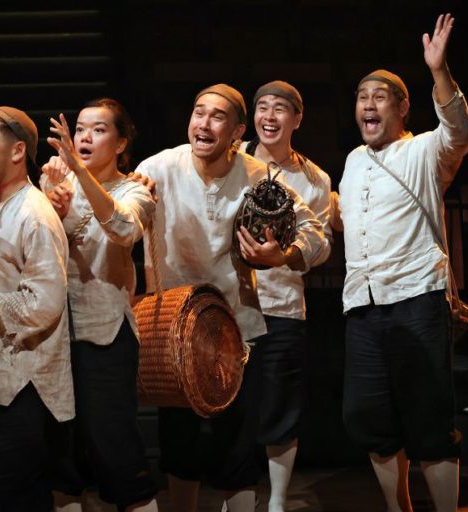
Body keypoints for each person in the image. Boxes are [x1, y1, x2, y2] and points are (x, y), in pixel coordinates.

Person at [132, 84, 324, 512]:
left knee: (236, 452)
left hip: (236, 329)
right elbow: (119, 214)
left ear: (237, 132)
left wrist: (284, 255)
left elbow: (314, 232)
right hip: (174, 328)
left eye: (217, 116)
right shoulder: (158, 168)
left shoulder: (258, 174)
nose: (203, 123)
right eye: (198, 112)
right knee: (179, 445)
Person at [339, 14, 468, 512]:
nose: (368, 104)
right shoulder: (352, 161)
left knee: (429, 419)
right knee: (368, 417)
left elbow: (459, 131)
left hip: (416, 296)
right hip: (362, 305)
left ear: (401, 108)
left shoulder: (424, 150)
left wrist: (439, 71)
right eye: (361, 97)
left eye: (379, 96)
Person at [40, 98, 158, 511]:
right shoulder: (56, 181)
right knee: (62, 458)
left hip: (105, 334)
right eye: (80, 129)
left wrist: (80, 172)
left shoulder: (135, 189)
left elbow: (123, 229)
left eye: (99, 129)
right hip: (55, 336)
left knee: (116, 451)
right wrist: (51, 203)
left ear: (121, 143)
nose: (85, 137)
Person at [0, 106, 73, 511]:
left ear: (16, 152)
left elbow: (44, 303)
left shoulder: (34, 214)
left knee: (18, 498)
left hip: (23, 385)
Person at [240, 80, 333, 512]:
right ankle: (235, 496)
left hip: (284, 309)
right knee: (234, 409)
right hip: (232, 306)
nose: (269, 116)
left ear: (297, 119)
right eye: (262, 107)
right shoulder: (232, 160)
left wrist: (287, 254)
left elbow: (321, 245)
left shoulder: (315, 179)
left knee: (281, 407)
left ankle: (277, 502)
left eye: (280, 108)